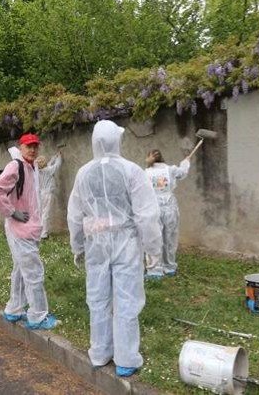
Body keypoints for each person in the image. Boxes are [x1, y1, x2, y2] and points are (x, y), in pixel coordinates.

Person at [67, 120, 162, 377]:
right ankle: (126, 358)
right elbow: (147, 214)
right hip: (125, 242)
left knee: (97, 297)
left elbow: (74, 215)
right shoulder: (131, 171)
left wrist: (77, 245)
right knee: (126, 298)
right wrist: (154, 248)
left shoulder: (83, 173)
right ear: (116, 141)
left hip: (95, 242)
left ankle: (100, 352)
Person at [0, 134, 57, 330]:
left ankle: (14, 309)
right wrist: (12, 212)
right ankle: (37, 315)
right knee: (34, 272)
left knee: (20, 271)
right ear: (21, 147)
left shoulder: (31, 166)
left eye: (36, 146)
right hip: (20, 230)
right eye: (29, 146)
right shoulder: (15, 166)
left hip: (29, 228)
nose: (33, 150)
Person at [144, 149, 190, 280]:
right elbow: (183, 172)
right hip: (170, 207)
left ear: (149, 158)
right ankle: (169, 267)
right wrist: (186, 162)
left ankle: (154, 270)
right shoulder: (171, 169)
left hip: (152, 207)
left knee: (153, 238)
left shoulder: (145, 173)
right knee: (170, 238)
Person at [36, 151, 63, 239]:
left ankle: (39, 232)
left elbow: (49, 164)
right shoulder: (48, 170)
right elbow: (56, 166)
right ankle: (44, 234)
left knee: (41, 213)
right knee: (46, 214)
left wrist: (54, 157)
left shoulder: (38, 171)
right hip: (48, 193)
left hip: (41, 194)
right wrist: (59, 157)